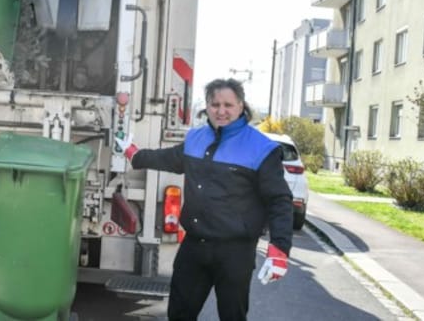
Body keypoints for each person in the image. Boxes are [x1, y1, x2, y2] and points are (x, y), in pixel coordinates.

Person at [114, 78, 293, 321]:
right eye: (215, 104)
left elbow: (279, 200)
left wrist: (279, 249)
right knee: (179, 314)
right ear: (207, 106)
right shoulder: (196, 138)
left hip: (235, 252)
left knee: (232, 316)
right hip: (194, 247)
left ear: (241, 106)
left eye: (228, 105)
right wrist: (134, 155)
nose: (221, 111)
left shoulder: (261, 148)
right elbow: (167, 158)